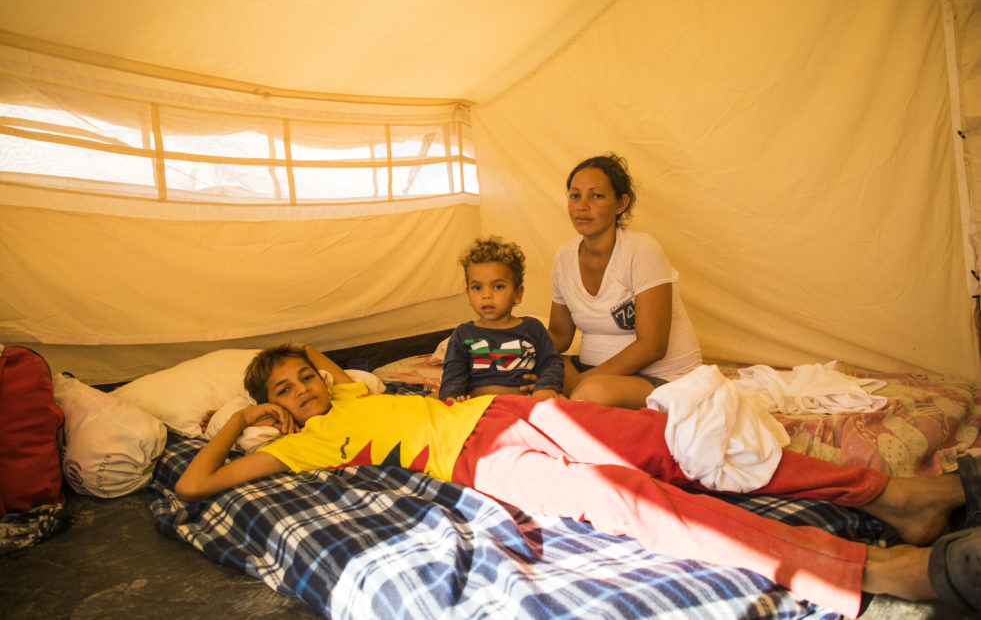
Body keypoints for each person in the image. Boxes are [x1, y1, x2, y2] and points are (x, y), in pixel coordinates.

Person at [177, 343, 981, 618]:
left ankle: (901, 496)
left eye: (301, 377)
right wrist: (239, 423)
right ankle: (872, 569)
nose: (303, 390)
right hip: (483, 463)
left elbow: (332, 363)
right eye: (283, 389)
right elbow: (193, 489)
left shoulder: (354, 387)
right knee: (634, 501)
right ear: (270, 405)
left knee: (680, 448)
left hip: (513, 410)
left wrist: (314, 369)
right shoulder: (305, 442)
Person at [547, 153, 702, 408]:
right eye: (575, 195)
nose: (582, 205)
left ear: (621, 203)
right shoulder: (564, 257)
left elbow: (653, 346)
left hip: (663, 378)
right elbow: (560, 335)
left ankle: (584, 390)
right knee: (532, 372)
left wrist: (581, 382)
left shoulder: (641, 250)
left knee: (590, 395)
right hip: (593, 372)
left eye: (596, 195)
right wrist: (517, 346)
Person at [439, 236, 564, 402]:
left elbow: (551, 363)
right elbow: (453, 375)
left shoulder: (532, 328)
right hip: (479, 408)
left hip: (525, 404)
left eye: (498, 286)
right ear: (468, 295)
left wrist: (546, 387)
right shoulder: (463, 334)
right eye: (477, 288)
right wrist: (451, 398)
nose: (486, 295)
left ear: (517, 294)